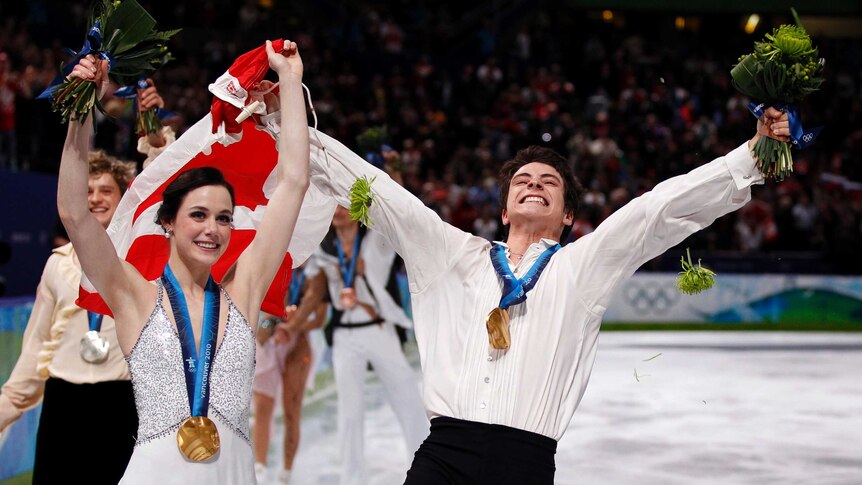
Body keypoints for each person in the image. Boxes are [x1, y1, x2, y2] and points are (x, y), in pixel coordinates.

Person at [305, 106, 791, 483]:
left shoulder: (582, 267)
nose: (533, 184)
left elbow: (657, 211)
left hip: (524, 463)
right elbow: (387, 197)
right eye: (522, 180)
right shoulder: (453, 255)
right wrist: (294, 134)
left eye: (549, 182)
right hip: (442, 457)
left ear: (566, 217)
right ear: (503, 210)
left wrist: (752, 155)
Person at [56, 39, 309, 483]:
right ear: (168, 222)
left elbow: (292, 183)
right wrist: (82, 112)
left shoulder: (243, 292)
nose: (212, 228)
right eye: (198, 215)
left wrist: (290, 82)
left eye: (223, 218)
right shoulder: (133, 293)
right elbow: (75, 215)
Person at [0, 83, 164, 485]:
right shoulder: (58, 265)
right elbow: (37, 344)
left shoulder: (142, 260)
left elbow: (161, 187)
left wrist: (155, 134)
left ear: (124, 197)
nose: (95, 198)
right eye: (88, 190)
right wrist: (7, 405)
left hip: (122, 403)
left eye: (106, 190)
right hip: (64, 404)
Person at [313, 205, 429, 485]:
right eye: (333, 206)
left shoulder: (374, 241)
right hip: (344, 335)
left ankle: (426, 469)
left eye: (344, 205)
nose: (338, 211)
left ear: (357, 211)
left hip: (379, 329)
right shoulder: (324, 249)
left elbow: (395, 220)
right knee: (349, 411)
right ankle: (351, 478)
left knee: (408, 399)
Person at [253, 262, 328, 484]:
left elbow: (319, 318)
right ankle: (260, 470)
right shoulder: (276, 261)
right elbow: (264, 309)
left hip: (298, 342)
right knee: (262, 410)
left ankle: (286, 474)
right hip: (270, 339)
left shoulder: (317, 272)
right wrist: (277, 319)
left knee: (291, 410)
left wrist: (293, 325)